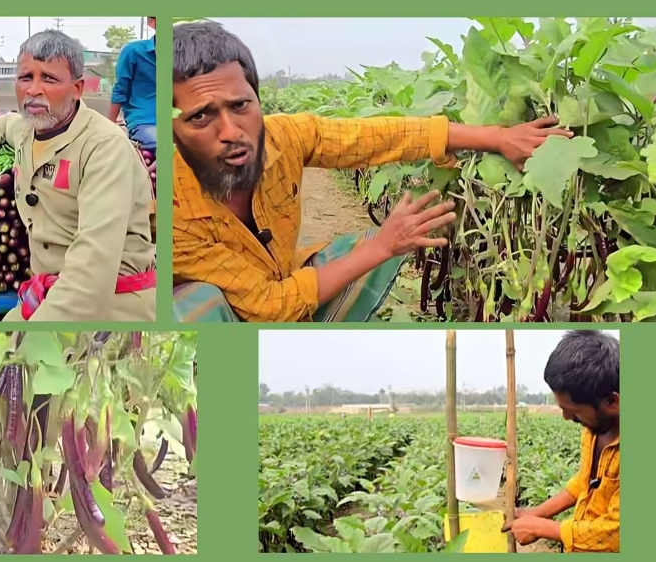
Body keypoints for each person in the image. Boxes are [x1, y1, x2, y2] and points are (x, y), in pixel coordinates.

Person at [170, 22, 574, 323]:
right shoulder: (171, 213)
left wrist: (497, 137)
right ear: (173, 129)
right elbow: (268, 306)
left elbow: (375, 137)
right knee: (197, 305)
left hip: (284, 285)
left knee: (364, 250)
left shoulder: (284, 136)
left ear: (257, 99)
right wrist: (383, 246)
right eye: (201, 116)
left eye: (240, 105)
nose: (231, 131)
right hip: (233, 315)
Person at [0, 30, 156, 322]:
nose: (34, 90)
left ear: (77, 88)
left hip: (109, 303)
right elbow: (5, 124)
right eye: (26, 78)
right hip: (49, 294)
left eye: (49, 78)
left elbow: (92, 267)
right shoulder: (29, 129)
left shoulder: (104, 148)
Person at [502, 330, 620, 553]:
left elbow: (617, 533)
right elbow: (584, 482)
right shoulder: (594, 427)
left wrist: (544, 528)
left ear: (611, 402)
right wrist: (537, 513)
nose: (566, 417)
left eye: (573, 410)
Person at [109, 16, 157, 152]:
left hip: (177, 121)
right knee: (163, 148)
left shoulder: (184, 56)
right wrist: (109, 126)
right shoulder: (133, 51)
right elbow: (121, 88)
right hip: (144, 120)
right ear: (151, 22)